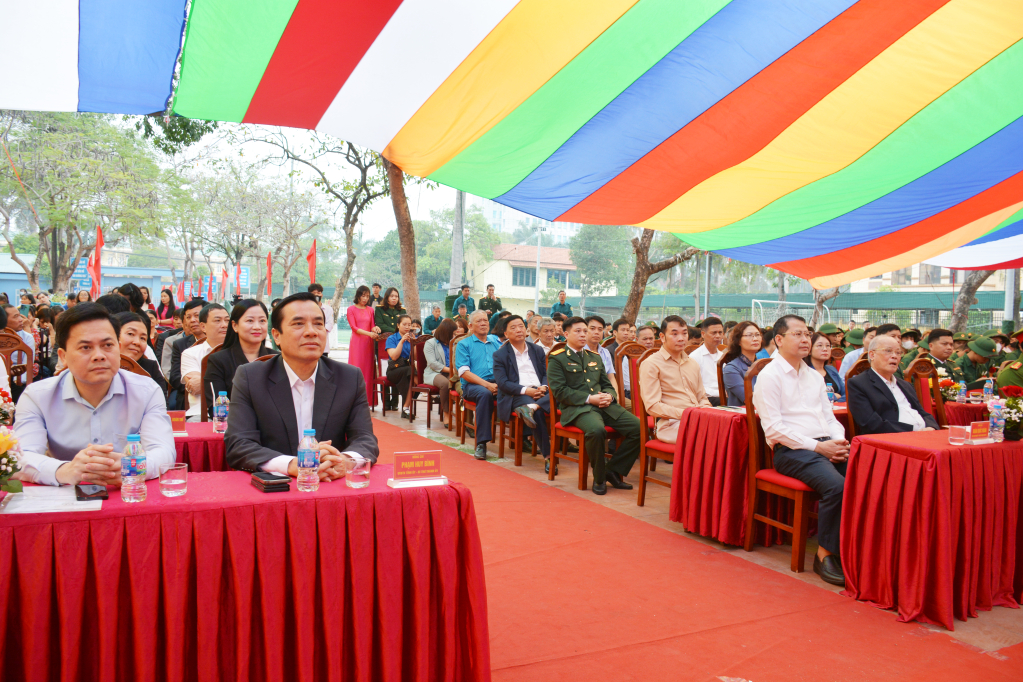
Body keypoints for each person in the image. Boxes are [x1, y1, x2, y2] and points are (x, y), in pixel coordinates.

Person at [13, 303, 175, 487]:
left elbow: (163, 449)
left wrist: (133, 467)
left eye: (107, 345)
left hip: (127, 494)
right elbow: (21, 456)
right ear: (63, 356)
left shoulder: (147, 391)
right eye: (85, 347)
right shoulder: (37, 397)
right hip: (65, 495)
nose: (99, 356)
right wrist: (65, 470)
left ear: (118, 348)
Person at [225, 292, 378, 477]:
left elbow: (365, 439)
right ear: (276, 336)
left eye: (318, 324)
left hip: (330, 483)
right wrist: (292, 465)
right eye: (298, 324)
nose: (311, 331)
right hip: (277, 485)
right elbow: (239, 443)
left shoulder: (349, 377)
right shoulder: (250, 378)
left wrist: (343, 461)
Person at [752, 315, 849, 587]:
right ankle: (825, 554)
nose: (805, 339)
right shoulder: (769, 376)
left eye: (807, 334)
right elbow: (774, 429)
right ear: (779, 340)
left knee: (867, 476)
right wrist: (819, 446)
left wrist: (838, 442)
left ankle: (854, 547)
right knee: (837, 487)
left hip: (826, 444)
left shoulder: (814, 376)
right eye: (797, 334)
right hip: (793, 451)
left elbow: (829, 417)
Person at [547, 317, 640, 495]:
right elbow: (560, 391)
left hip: (604, 405)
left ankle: (612, 470)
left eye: (585, 331)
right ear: (566, 334)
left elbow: (606, 383)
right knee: (597, 430)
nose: (583, 334)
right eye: (578, 331)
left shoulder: (595, 357)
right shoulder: (557, 358)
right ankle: (599, 478)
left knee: (638, 428)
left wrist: (610, 396)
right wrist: (590, 399)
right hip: (577, 408)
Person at [639, 316, 711, 444]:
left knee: (727, 431)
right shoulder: (651, 364)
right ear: (662, 337)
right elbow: (652, 406)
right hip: (670, 424)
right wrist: (687, 414)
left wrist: (704, 410)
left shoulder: (692, 363)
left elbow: (702, 397)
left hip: (697, 419)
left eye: (684, 333)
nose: (681, 338)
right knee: (709, 437)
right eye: (675, 334)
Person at [847, 335, 939, 435]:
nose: (894, 356)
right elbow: (871, 424)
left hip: (924, 435)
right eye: (888, 351)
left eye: (898, 352)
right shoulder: (859, 384)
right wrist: (913, 431)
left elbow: (923, 413)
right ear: (872, 355)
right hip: (892, 439)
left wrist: (931, 427)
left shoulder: (905, 385)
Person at [493, 315, 552, 464]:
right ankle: (548, 457)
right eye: (513, 328)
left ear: (526, 330)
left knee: (560, 392)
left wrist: (544, 386)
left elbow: (546, 374)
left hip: (541, 390)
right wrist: (527, 390)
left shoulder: (537, 350)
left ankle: (532, 407)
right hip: (516, 394)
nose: (518, 330)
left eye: (521, 326)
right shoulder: (500, 355)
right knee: (538, 412)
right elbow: (503, 383)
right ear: (506, 334)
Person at [204, 300, 274, 416]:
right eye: (250, 321)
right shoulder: (218, 360)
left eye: (262, 321)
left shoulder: (277, 358)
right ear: (235, 326)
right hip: (235, 423)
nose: (257, 327)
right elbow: (216, 407)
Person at [455, 311, 502, 460]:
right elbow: (464, 373)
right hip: (473, 386)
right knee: (485, 394)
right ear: (470, 326)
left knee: (519, 390)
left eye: (485, 320)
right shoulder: (464, 344)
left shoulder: (496, 341)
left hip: (496, 382)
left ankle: (524, 437)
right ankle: (481, 443)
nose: (483, 323)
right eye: (479, 321)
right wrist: (487, 385)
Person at [180, 304, 230, 420]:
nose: (224, 325)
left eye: (227, 320)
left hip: (237, 413)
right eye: (217, 320)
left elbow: (203, 384)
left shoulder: (241, 351)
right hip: (201, 413)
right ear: (203, 326)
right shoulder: (190, 353)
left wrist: (204, 381)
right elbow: (196, 386)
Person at [168, 299, 207, 410]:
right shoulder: (180, 344)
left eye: (196, 315)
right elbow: (175, 377)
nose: (192, 320)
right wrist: (192, 385)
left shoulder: (220, 342)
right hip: (187, 394)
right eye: (188, 317)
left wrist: (203, 384)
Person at [115, 311, 168, 394]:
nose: (137, 342)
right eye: (130, 334)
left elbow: (162, 399)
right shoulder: (99, 364)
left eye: (143, 338)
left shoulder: (150, 368)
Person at [346, 285, 380, 406]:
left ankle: (368, 401)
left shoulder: (370, 310)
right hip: (357, 344)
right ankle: (354, 402)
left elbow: (372, 325)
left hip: (368, 344)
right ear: (358, 295)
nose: (365, 298)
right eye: (363, 296)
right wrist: (369, 333)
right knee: (356, 369)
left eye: (367, 296)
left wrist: (375, 329)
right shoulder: (351, 309)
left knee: (368, 371)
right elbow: (354, 328)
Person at [374, 287, 407, 410]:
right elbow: (380, 324)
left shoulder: (402, 310)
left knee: (398, 368)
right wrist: (395, 331)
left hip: (398, 344)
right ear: (387, 297)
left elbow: (403, 324)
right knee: (385, 371)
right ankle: (386, 402)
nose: (394, 298)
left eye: (396, 296)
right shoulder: (379, 309)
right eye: (392, 296)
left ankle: (395, 403)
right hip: (382, 344)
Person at [424, 318, 457, 428]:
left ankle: (463, 415)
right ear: (446, 332)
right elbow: (432, 363)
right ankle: (446, 414)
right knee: (445, 383)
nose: (454, 335)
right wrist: (451, 370)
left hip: (451, 372)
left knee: (460, 382)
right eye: (453, 333)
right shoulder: (430, 343)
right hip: (433, 373)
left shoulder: (454, 343)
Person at [721, 321, 762, 406]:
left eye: (757, 335)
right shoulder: (731, 368)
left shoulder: (764, 365)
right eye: (749, 335)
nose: (755, 339)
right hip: (743, 413)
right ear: (738, 341)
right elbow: (748, 398)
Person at [688, 316, 724, 405]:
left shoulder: (723, 356)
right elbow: (695, 387)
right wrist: (721, 393)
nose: (718, 336)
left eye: (720, 332)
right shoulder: (694, 357)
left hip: (724, 396)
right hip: (705, 399)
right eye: (714, 333)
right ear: (703, 334)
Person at [385, 314, 415, 418]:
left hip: (408, 369)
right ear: (398, 325)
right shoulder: (392, 338)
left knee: (412, 375)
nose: (407, 327)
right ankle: (406, 407)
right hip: (394, 369)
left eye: (409, 325)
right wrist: (402, 341)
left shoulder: (412, 338)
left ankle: (405, 408)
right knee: (411, 372)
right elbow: (394, 356)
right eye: (404, 324)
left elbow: (415, 357)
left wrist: (414, 344)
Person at [805, 332, 844, 399]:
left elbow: (845, 393)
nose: (825, 349)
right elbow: (811, 397)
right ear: (809, 350)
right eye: (820, 345)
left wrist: (838, 400)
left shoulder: (832, 370)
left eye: (828, 346)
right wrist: (834, 396)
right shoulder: (805, 371)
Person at [584, 316, 615, 382]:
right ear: (585, 330)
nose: (596, 332)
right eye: (592, 329)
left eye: (600, 329)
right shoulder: (578, 351)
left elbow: (611, 378)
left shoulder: (605, 352)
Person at [307, 283, 335, 349]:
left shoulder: (328, 309)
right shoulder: (305, 308)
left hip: (323, 346)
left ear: (321, 295)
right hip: (308, 344)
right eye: (314, 293)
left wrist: (315, 330)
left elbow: (329, 325)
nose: (316, 295)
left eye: (318, 293)